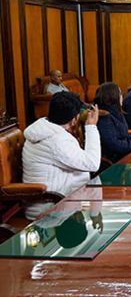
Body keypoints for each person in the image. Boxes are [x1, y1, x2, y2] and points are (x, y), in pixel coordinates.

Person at [22, 92, 101, 220]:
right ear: (74, 120)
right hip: (49, 209)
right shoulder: (56, 141)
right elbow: (92, 164)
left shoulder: (44, 128)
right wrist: (91, 127)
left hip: (57, 202)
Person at [95, 82, 131, 163]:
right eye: (121, 94)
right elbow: (114, 145)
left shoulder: (117, 112)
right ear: (114, 97)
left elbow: (124, 135)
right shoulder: (104, 118)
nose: (122, 96)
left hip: (123, 155)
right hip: (113, 162)